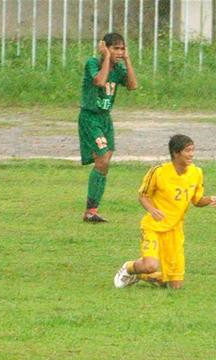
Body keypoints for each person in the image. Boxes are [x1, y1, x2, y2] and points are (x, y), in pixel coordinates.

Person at [114, 134, 216, 289]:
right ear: (176, 153)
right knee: (150, 265)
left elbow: (197, 201)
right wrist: (152, 210)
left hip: (175, 231)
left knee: (175, 286)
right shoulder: (158, 172)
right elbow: (143, 195)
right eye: (187, 151)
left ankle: (142, 275)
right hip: (153, 227)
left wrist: (209, 200)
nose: (191, 154)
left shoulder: (196, 173)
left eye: (192, 150)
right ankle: (129, 268)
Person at [78, 32, 138, 223]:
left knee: (104, 163)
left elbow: (133, 85)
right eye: (115, 48)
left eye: (122, 48)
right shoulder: (93, 63)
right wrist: (106, 58)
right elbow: (100, 81)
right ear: (105, 48)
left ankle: (92, 211)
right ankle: (90, 211)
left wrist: (127, 60)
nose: (119, 52)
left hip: (105, 119)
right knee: (102, 159)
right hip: (90, 117)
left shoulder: (119, 68)